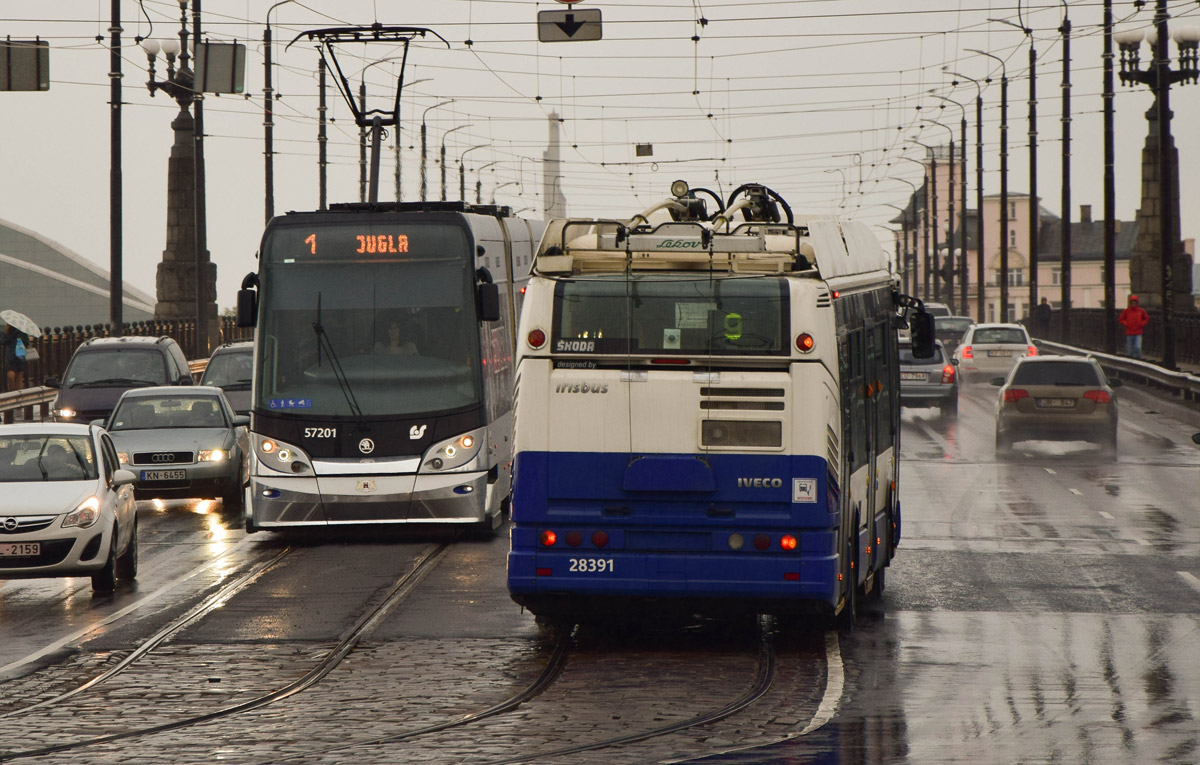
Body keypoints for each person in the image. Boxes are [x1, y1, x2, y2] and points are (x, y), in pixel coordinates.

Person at [1118, 294, 1149, 359]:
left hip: (1138, 331)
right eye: (1132, 302)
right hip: (1129, 331)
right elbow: (1121, 319)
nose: (1133, 304)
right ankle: (1131, 359)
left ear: (1137, 303)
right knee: (1130, 348)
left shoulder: (1141, 311)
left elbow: (1146, 319)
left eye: (1135, 302)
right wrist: (1127, 324)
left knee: (1137, 347)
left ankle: (1138, 358)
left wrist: (1141, 323)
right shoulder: (1126, 311)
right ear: (1130, 303)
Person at [2, 325, 30, 392]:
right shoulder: (6, 332)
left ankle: (19, 394)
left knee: (19, 378)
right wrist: (13, 335)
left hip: (20, 357)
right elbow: (3, 342)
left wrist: (21, 338)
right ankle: (12, 391)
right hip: (10, 357)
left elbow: (27, 342)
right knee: (11, 376)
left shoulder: (23, 333)